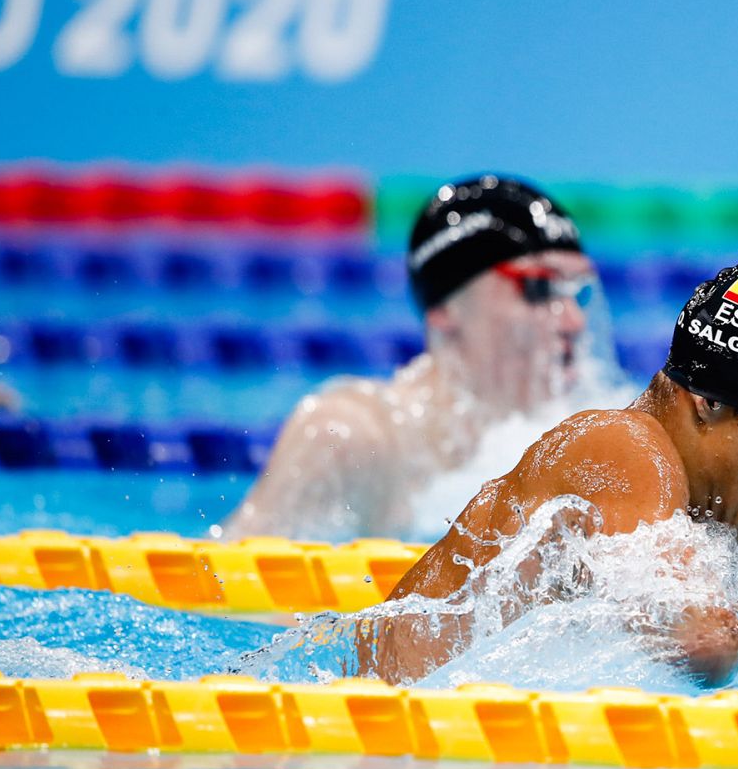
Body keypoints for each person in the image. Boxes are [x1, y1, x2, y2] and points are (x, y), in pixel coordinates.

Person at [357, 254, 738, 687]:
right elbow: (706, 643)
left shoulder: (706, 520)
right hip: (385, 754)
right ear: (708, 401)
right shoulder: (619, 446)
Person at [222, 175, 610, 542]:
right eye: (539, 286)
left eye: (578, 292)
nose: (573, 320)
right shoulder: (356, 437)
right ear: (445, 306)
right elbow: (236, 585)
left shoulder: (599, 433)